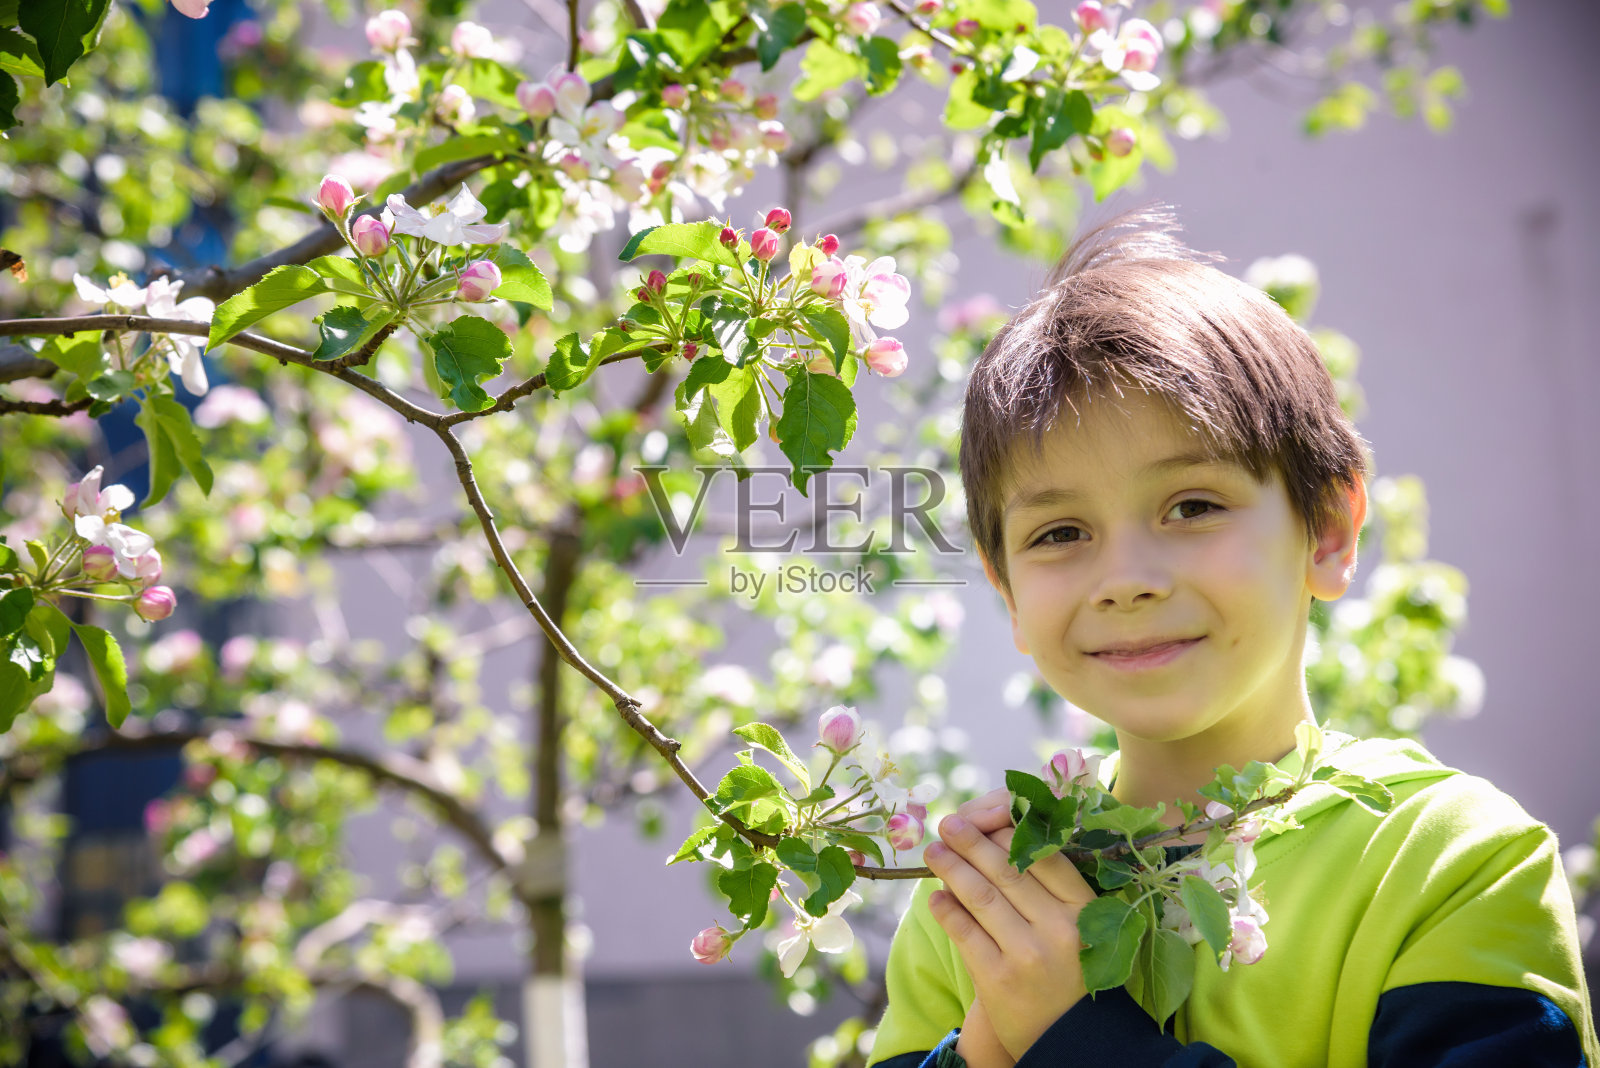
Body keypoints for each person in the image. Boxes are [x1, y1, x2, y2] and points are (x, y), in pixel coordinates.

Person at [866, 206, 1599, 1068]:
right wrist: (986, 1047)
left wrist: (1077, 1041)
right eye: (1059, 532)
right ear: (1009, 594)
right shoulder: (983, 904)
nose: (1125, 578)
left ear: (1327, 531)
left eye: (1193, 507)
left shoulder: (1450, 858)